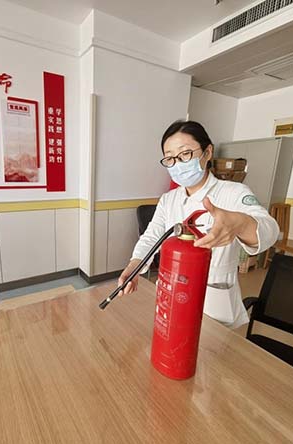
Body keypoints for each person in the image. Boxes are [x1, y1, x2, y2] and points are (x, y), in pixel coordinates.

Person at [118, 120, 279, 328]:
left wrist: (240, 223)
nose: (177, 164)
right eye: (170, 158)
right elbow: (152, 236)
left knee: (208, 345)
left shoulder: (233, 192)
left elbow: (269, 230)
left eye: (185, 154)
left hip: (213, 302)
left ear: (207, 152)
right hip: (171, 293)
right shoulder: (168, 199)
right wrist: (134, 266)